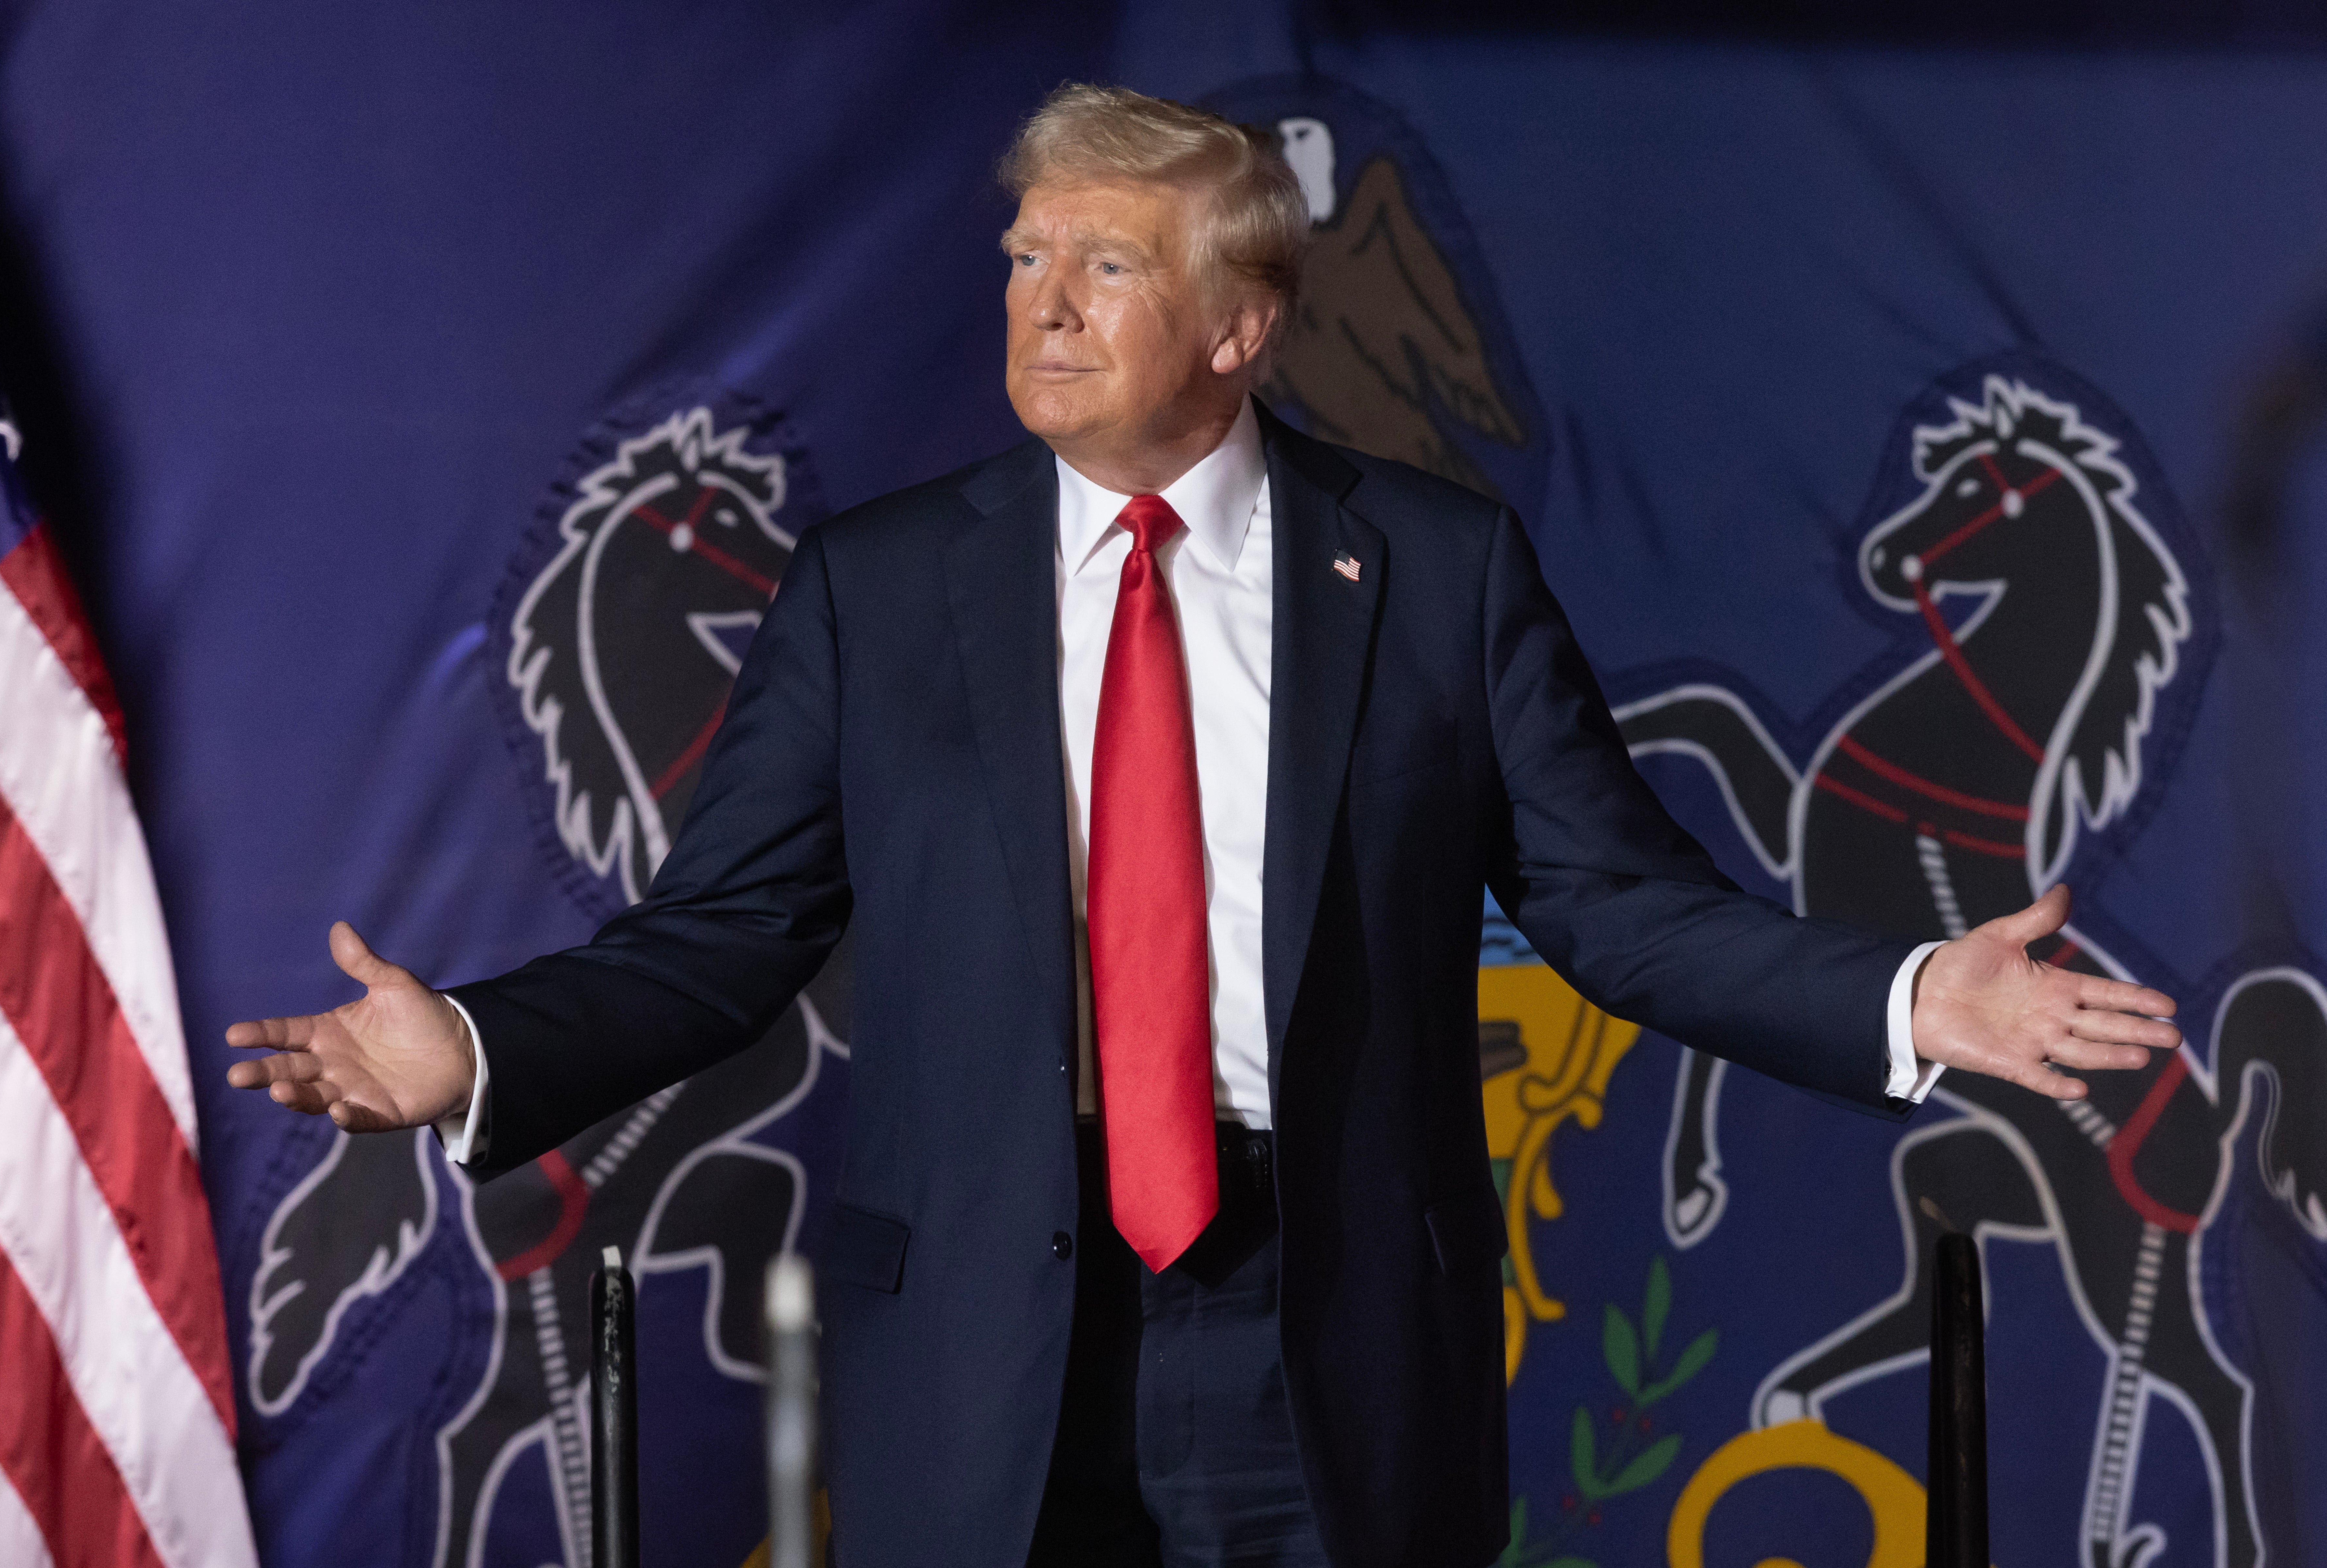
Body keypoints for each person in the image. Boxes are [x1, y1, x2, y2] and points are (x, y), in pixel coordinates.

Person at [225, 84, 2180, 1568]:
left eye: (1105, 268)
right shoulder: (876, 590)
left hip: (1315, 1325)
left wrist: (1914, 999)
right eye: (1023, 261)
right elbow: (721, 933)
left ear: (1242, 326)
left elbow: (1612, 903)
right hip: (989, 1330)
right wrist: (473, 1047)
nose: (1044, 308)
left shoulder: (1430, 570)